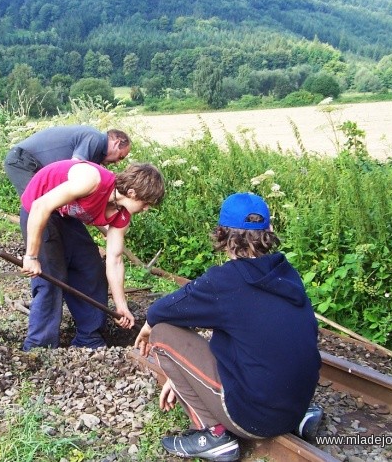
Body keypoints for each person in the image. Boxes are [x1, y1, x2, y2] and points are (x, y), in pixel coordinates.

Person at [134, 193, 322, 461]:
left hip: (255, 417)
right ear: (268, 230)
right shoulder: (287, 272)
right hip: (298, 403)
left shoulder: (223, 282)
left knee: (163, 333)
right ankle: (300, 419)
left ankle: (212, 434)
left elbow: (159, 312)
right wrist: (184, 377)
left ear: (221, 234)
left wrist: (149, 329)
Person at [19, 159, 164, 351]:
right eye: (146, 203)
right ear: (132, 193)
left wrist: (121, 306)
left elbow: (115, 258)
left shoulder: (122, 215)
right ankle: (39, 346)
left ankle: (89, 338)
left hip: (67, 217)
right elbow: (40, 206)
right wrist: (31, 256)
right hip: (39, 209)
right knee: (51, 278)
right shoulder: (91, 180)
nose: (146, 209)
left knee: (91, 269)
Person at [4, 125, 131, 196]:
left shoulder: (96, 154)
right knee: (36, 203)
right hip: (22, 161)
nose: (117, 162)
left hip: (32, 164)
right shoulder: (96, 138)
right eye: (120, 156)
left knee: (54, 211)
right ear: (116, 143)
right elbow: (74, 168)